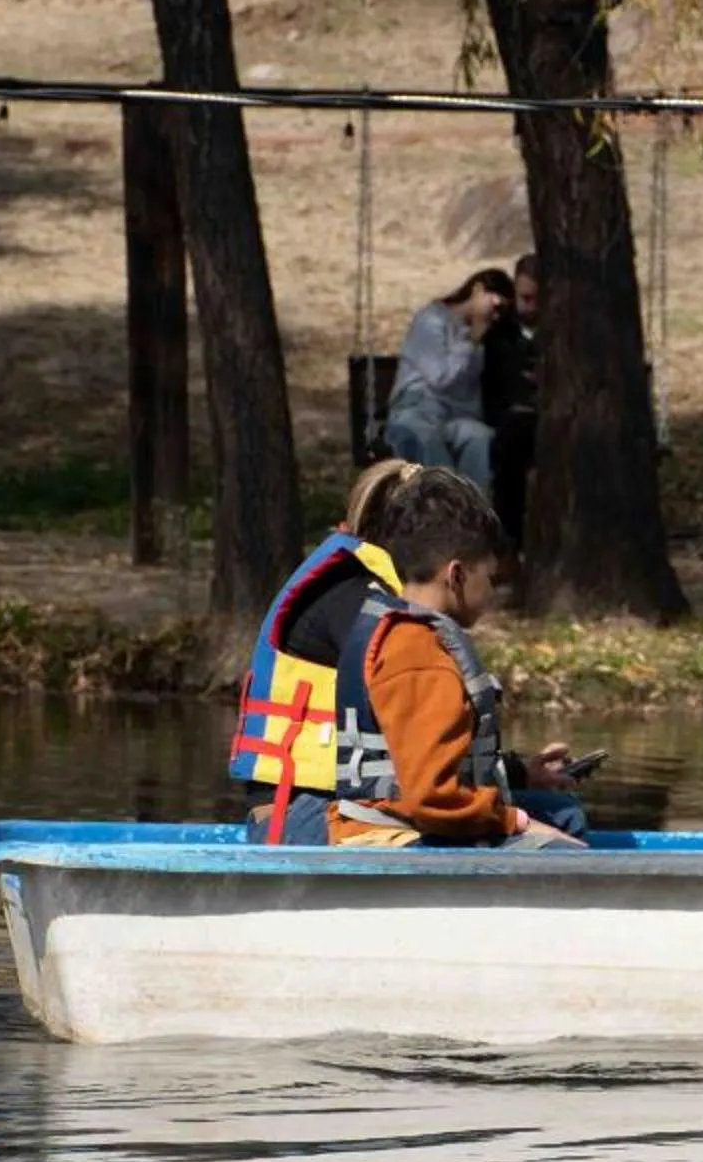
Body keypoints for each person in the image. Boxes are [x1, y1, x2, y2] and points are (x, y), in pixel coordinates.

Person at [233, 460, 585, 845]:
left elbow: (418, 751)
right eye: (491, 577)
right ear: (452, 570)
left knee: (558, 815)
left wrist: (515, 774)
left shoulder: (389, 610)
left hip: (359, 803)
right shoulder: (380, 618)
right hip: (303, 812)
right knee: (547, 829)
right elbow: (427, 780)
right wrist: (514, 820)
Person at [384, 269, 514, 488]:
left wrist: (475, 339)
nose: (496, 316)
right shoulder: (431, 320)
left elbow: (468, 395)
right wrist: (472, 339)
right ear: (477, 289)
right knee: (427, 438)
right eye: (495, 306)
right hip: (418, 408)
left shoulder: (479, 338)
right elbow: (441, 377)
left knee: (479, 437)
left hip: (452, 416)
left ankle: (474, 507)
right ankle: (443, 504)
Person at [483, 253, 543, 546]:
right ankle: (510, 537)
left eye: (537, 298)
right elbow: (492, 387)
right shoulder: (500, 334)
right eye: (525, 297)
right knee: (510, 444)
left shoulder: (564, 334)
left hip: (551, 420)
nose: (530, 307)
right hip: (511, 422)